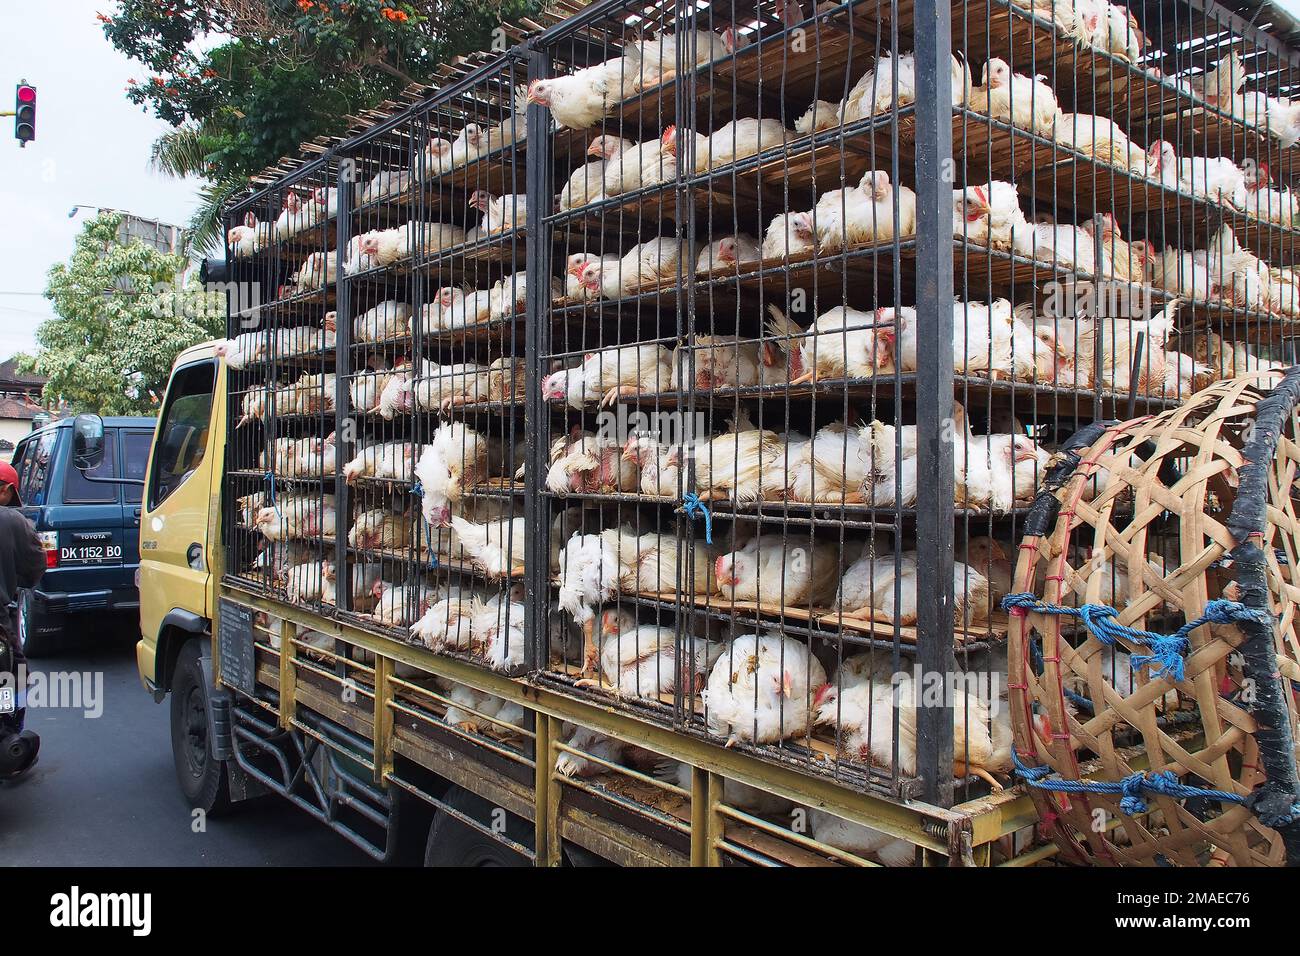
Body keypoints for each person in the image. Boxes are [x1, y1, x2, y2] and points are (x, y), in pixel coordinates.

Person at [0, 461, 45, 724]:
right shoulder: (13, 520)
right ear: (6, 490)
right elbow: (35, 567)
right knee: (13, 677)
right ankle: (8, 730)